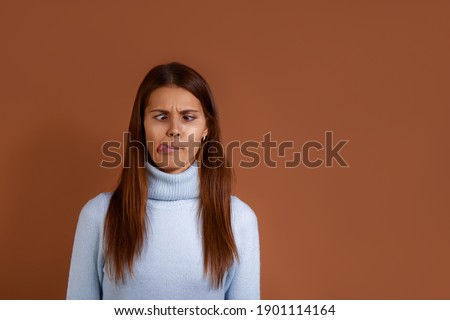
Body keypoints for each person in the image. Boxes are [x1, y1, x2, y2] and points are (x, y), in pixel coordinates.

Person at [66, 62, 260, 299]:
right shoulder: (99, 214)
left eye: (188, 117)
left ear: (206, 127)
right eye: (160, 117)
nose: (174, 130)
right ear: (142, 126)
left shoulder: (238, 219)